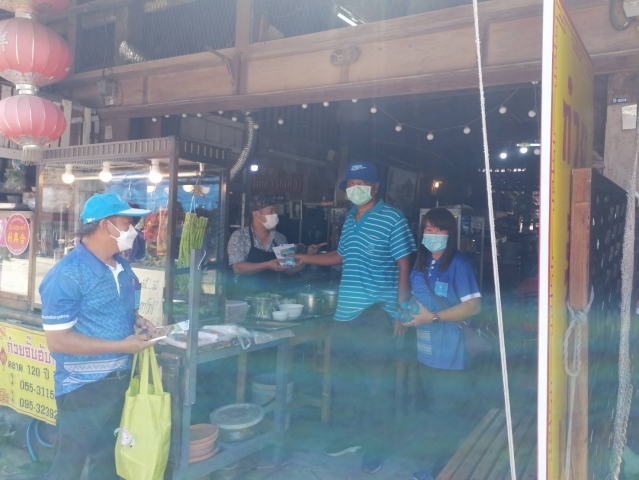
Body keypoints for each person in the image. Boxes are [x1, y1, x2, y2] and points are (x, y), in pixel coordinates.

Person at [293, 161, 416, 474]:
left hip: (376, 313)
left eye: (360, 183)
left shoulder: (393, 218)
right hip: (345, 314)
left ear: (375, 187)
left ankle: (376, 445)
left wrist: (401, 311)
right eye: (350, 184)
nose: (354, 188)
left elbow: (405, 265)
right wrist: (304, 257)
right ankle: (352, 436)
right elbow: (340, 256)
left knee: (377, 385)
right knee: (346, 382)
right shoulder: (350, 218)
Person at [40, 193, 158, 480]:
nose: (134, 231)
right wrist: (121, 345)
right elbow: (58, 341)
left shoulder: (122, 267)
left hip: (120, 382)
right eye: (127, 223)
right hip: (82, 388)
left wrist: (137, 321)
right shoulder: (67, 275)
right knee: (68, 465)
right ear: (106, 226)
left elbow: (121, 310)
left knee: (109, 463)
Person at [403, 208, 482, 480]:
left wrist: (434, 317)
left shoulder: (459, 264)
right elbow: (417, 299)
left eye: (440, 229)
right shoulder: (421, 261)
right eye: (428, 229)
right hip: (425, 350)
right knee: (433, 408)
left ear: (451, 233)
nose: (433, 234)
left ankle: (443, 470)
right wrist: (408, 311)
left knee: (446, 413)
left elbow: (473, 306)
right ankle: (439, 465)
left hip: (451, 352)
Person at [227, 194, 323, 295]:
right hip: (245, 295)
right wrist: (267, 265)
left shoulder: (279, 238)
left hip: (273, 295)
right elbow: (237, 268)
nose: (275, 214)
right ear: (256, 214)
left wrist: (308, 256)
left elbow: (288, 270)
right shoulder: (240, 236)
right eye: (271, 211)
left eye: (276, 211)